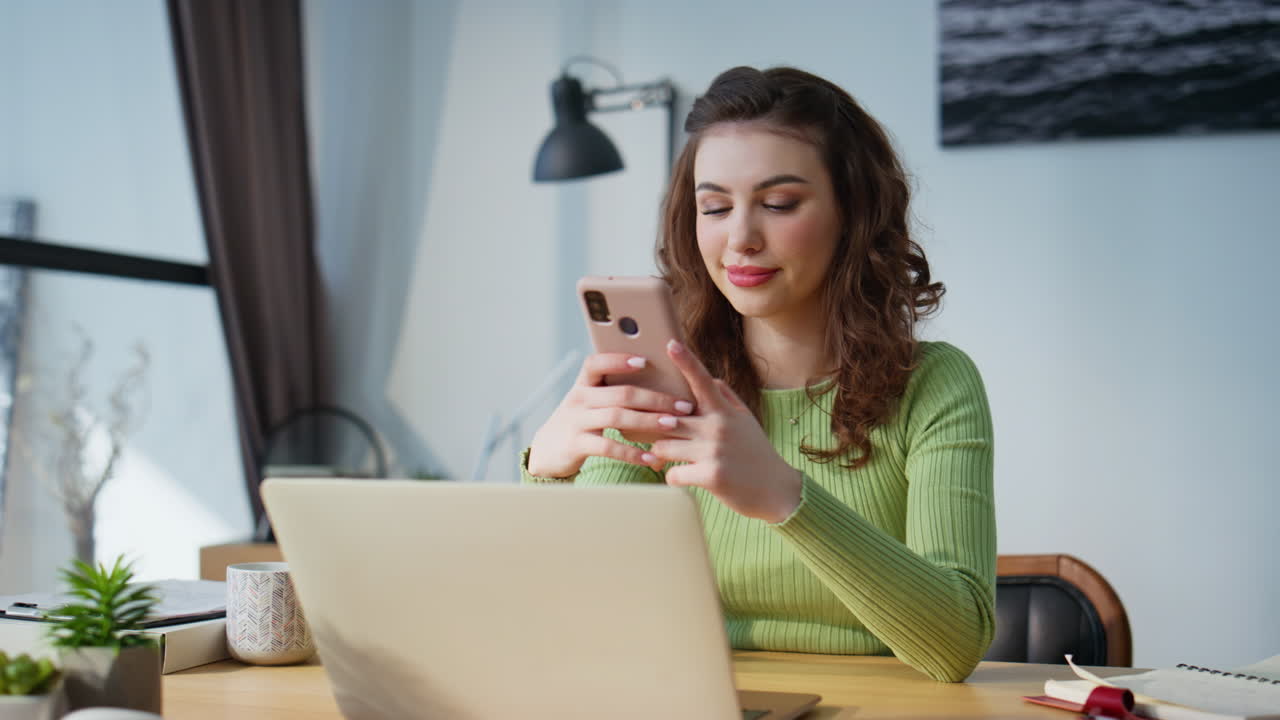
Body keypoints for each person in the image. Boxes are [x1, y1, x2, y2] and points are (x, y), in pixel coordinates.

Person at [522, 66, 995, 683]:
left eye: (778, 204)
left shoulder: (935, 385)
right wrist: (546, 474)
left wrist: (781, 494)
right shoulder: (667, 380)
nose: (740, 238)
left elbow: (956, 643)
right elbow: (573, 612)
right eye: (714, 207)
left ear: (852, 213)